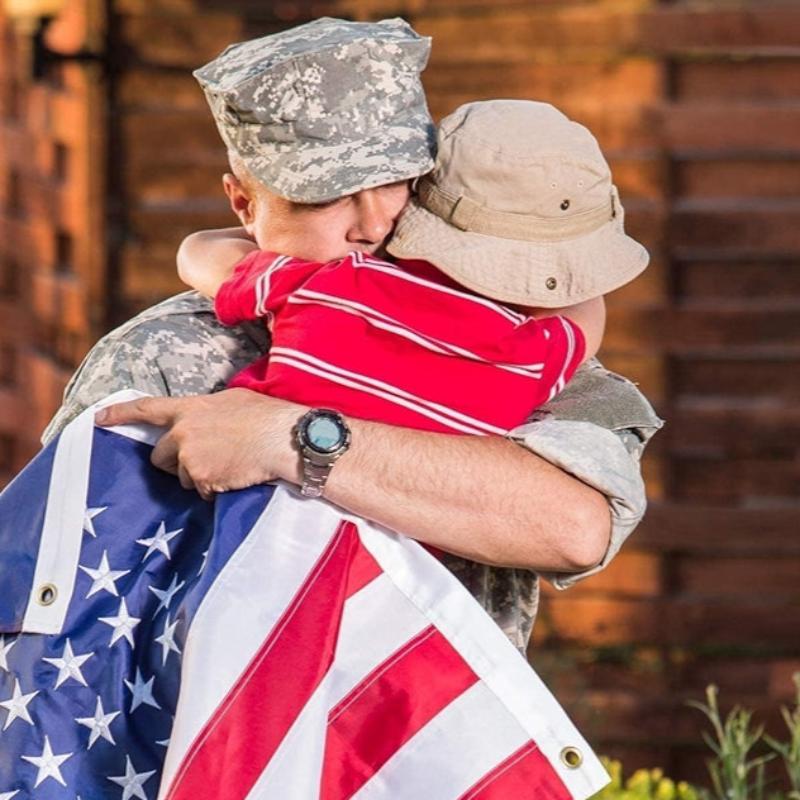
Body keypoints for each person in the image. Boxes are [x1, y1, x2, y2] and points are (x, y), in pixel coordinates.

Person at [43, 17, 662, 651]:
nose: (371, 227)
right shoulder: (166, 355)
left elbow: (572, 528)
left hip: (425, 731)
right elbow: (60, 592)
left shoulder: (506, 334)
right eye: (323, 199)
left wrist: (288, 437)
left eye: (396, 185)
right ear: (244, 204)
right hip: (204, 731)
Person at [177, 99, 645, 456]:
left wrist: (263, 228)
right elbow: (584, 309)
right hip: (401, 572)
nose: (374, 224)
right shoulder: (532, 356)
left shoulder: (329, 287)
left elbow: (199, 254)